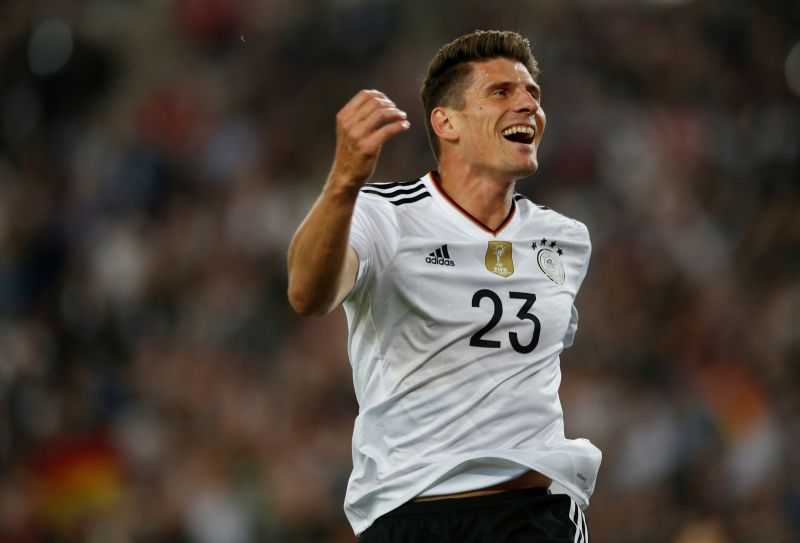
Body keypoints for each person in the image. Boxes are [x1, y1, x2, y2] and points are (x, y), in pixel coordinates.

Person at [287, 30, 599, 542]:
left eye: (533, 95)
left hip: (532, 512)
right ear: (446, 122)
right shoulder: (383, 215)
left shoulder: (565, 239)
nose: (527, 104)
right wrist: (344, 179)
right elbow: (306, 294)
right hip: (410, 511)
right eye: (501, 92)